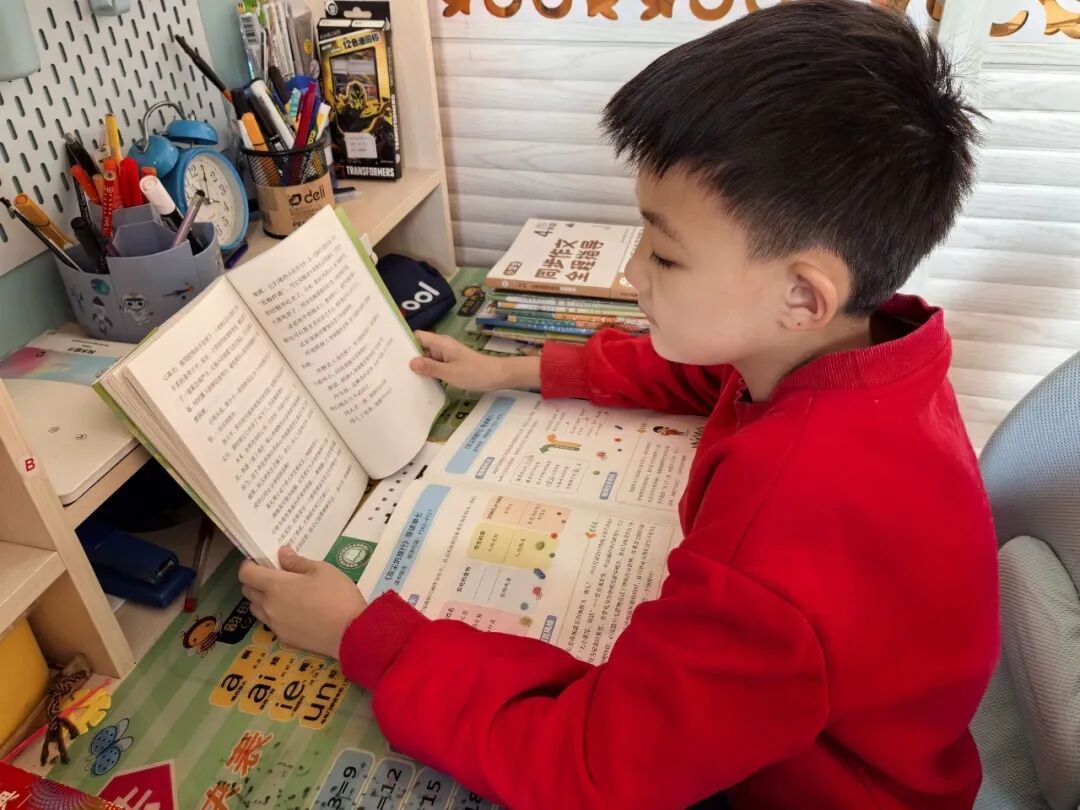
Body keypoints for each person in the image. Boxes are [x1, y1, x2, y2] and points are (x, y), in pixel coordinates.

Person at [238, 1, 999, 806]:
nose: (633, 273)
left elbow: (589, 770)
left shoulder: (783, 530)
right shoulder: (869, 350)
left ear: (803, 297)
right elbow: (712, 377)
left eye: (664, 254)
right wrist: (519, 370)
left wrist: (364, 636)